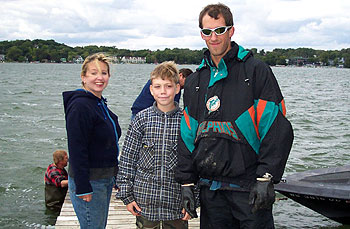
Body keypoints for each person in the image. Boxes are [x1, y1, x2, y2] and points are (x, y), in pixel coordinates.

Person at [175, 3, 294, 228]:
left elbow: (277, 129)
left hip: (250, 189)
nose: (214, 37)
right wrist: (187, 182)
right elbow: (187, 136)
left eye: (220, 30)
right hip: (211, 192)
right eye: (207, 31)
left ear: (231, 30)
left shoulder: (256, 71)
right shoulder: (194, 82)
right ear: (201, 34)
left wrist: (266, 176)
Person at [117, 61, 190, 229]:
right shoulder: (141, 120)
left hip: (176, 206)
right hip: (145, 205)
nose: (163, 91)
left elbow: (196, 163)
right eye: (157, 86)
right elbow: (128, 160)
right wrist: (127, 196)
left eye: (168, 86)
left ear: (177, 88)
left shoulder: (187, 121)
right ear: (151, 90)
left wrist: (194, 198)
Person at [63, 53, 122, 228]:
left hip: (104, 178)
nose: (99, 77)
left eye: (104, 73)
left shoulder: (98, 103)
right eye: (93, 73)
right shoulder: (80, 106)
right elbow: (77, 148)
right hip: (90, 181)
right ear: (83, 77)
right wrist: (83, 186)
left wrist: (115, 174)